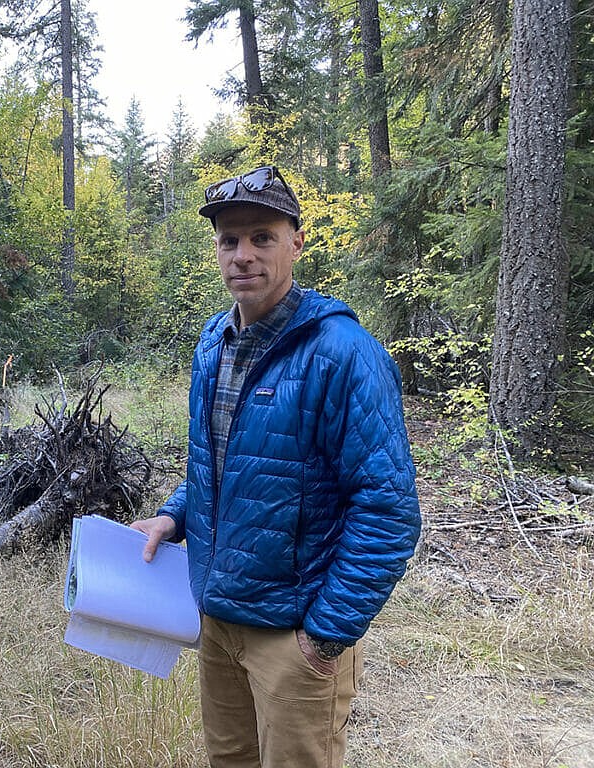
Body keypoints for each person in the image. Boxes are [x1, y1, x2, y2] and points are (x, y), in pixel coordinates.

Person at [132, 165, 421, 768]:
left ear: (296, 241)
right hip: (217, 620)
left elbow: (387, 510)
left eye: (261, 237)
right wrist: (172, 515)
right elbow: (221, 462)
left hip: (293, 633)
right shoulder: (214, 342)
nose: (243, 255)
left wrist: (323, 638)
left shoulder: (343, 353)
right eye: (229, 240)